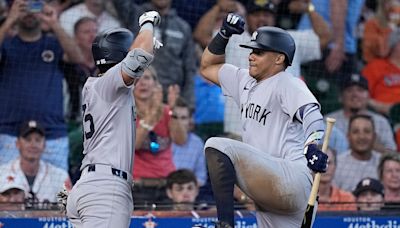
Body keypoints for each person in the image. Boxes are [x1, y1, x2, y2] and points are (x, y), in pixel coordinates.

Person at [200, 13, 328, 228]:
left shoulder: (286, 82)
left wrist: (313, 146)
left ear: (279, 58)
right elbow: (207, 67)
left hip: (291, 177)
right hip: (271, 189)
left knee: (217, 145)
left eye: (258, 52)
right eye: (251, 51)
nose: (251, 56)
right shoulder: (243, 80)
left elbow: (312, 115)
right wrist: (223, 35)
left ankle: (225, 224)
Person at [65, 11, 161, 228]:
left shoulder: (97, 86)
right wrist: (147, 23)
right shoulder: (108, 85)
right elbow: (140, 56)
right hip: (105, 191)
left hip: (91, 186)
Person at [0, 0, 84, 171]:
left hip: (52, 135)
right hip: (10, 134)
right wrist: (9, 20)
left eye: (34, 7)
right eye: (24, 8)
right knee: (6, 193)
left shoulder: (54, 44)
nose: (30, 14)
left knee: (60, 194)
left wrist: (54, 23)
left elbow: (77, 57)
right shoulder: (6, 45)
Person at [132, 66, 187, 208]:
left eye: (147, 78)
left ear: (156, 85)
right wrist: (153, 113)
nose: (142, 83)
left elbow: (180, 140)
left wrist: (173, 111)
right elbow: (135, 144)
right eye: (137, 79)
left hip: (166, 187)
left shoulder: (167, 112)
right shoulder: (126, 112)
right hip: (138, 188)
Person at [0, 120, 71, 208]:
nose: (33, 144)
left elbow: (69, 212)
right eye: (28, 139)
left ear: (44, 145)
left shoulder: (60, 176)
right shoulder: (2, 173)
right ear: (17, 143)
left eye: (38, 140)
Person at [326, 73, 397, 153]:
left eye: (360, 90)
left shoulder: (381, 122)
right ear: (340, 97)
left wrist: (373, 144)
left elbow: (392, 155)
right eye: (349, 90)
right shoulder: (328, 121)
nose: (355, 94)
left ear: (368, 96)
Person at [334, 114, 382, 192]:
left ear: (374, 136)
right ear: (348, 136)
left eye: (367, 131)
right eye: (356, 132)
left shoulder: (383, 163)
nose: (361, 137)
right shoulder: (336, 164)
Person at [172, 97, 207, 186]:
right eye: (175, 117)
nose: (178, 122)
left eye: (183, 118)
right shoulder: (161, 138)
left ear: (190, 121)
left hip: (189, 193)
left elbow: (201, 177)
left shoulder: (197, 143)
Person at [317, 147, 357, 211]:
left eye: (329, 163)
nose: (325, 167)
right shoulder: (302, 198)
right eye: (320, 162)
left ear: (335, 167)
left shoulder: (347, 199)